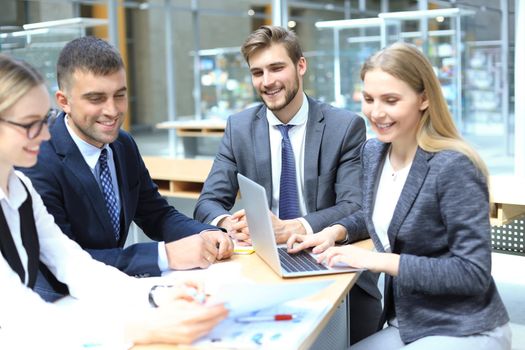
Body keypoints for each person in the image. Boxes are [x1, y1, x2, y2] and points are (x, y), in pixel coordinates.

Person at [288, 42, 511, 349]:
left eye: (390, 100)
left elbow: (472, 273)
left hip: (462, 327)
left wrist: (376, 260)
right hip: (406, 323)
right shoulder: (374, 152)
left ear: (424, 98)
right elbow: (387, 215)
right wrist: (335, 232)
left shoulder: (453, 166)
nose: (376, 113)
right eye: (368, 99)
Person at [0, 53, 228, 349]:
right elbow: (21, 314)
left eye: (44, 121)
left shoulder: (21, 188)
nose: (44, 134)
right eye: (30, 124)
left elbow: (74, 263)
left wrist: (157, 294)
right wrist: (137, 330)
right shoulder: (39, 170)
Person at [194, 25, 381, 344]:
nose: (267, 81)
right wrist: (230, 223)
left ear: (301, 66)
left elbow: (355, 207)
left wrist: (294, 227)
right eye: (257, 72)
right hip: (261, 268)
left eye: (277, 67)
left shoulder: (344, 126)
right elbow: (207, 203)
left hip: (327, 262)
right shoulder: (239, 128)